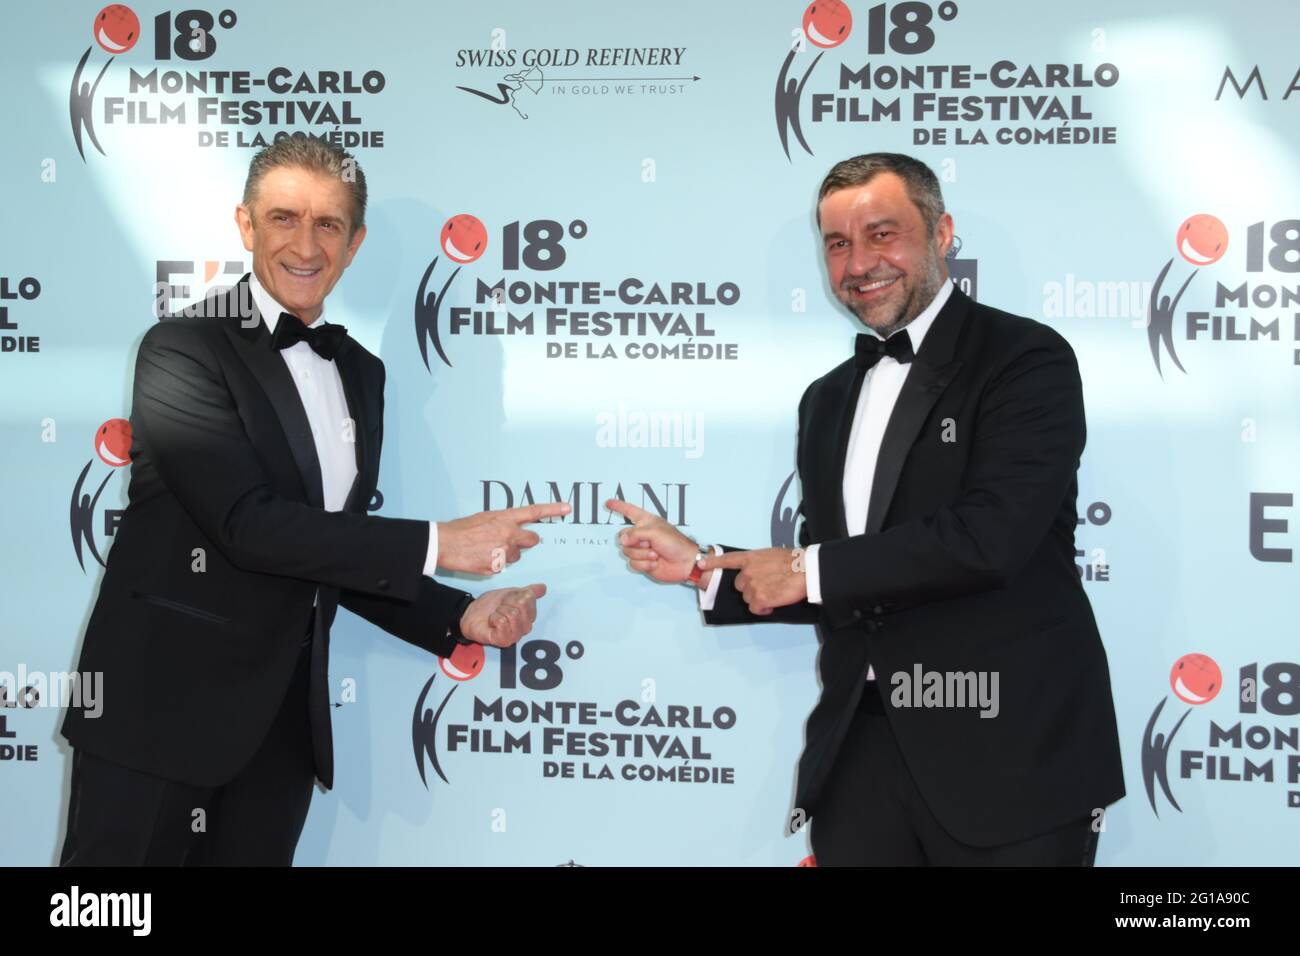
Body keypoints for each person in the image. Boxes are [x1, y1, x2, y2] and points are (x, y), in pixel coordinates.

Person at [59, 137, 566, 865]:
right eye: (284, 218)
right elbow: (246, 525)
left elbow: (330, 544)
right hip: (157, 718)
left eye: (328, 224)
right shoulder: (182, 349)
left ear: (355, 244)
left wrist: (456, 613)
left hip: (280, 733)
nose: (305, 244)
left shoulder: (362, 372)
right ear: (245, 226)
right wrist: (437, 541)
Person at [610, 152, 1125, 866]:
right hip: (862, 758)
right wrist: (703, 569)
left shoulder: (1025, 359)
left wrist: (806, 569)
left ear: (942, 234)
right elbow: (842, 579)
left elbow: (990, 538)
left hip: (1010, 754)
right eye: (838, 244)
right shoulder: (827, 398)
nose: (859, 264)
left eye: (883, 235)